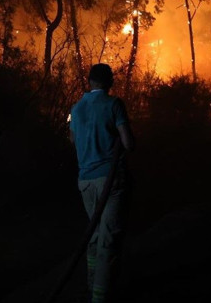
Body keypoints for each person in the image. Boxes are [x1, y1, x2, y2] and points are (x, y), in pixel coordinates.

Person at [69, 63, 135, 303]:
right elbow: (128, 144)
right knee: (108, 238)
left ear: (89, 81)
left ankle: (91, 282)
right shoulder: (114, 104)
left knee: (94, 233)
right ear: (110, 82)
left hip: (85, 181)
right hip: (110, 180)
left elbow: (73, 140)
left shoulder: (76, 108)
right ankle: (100, 296)